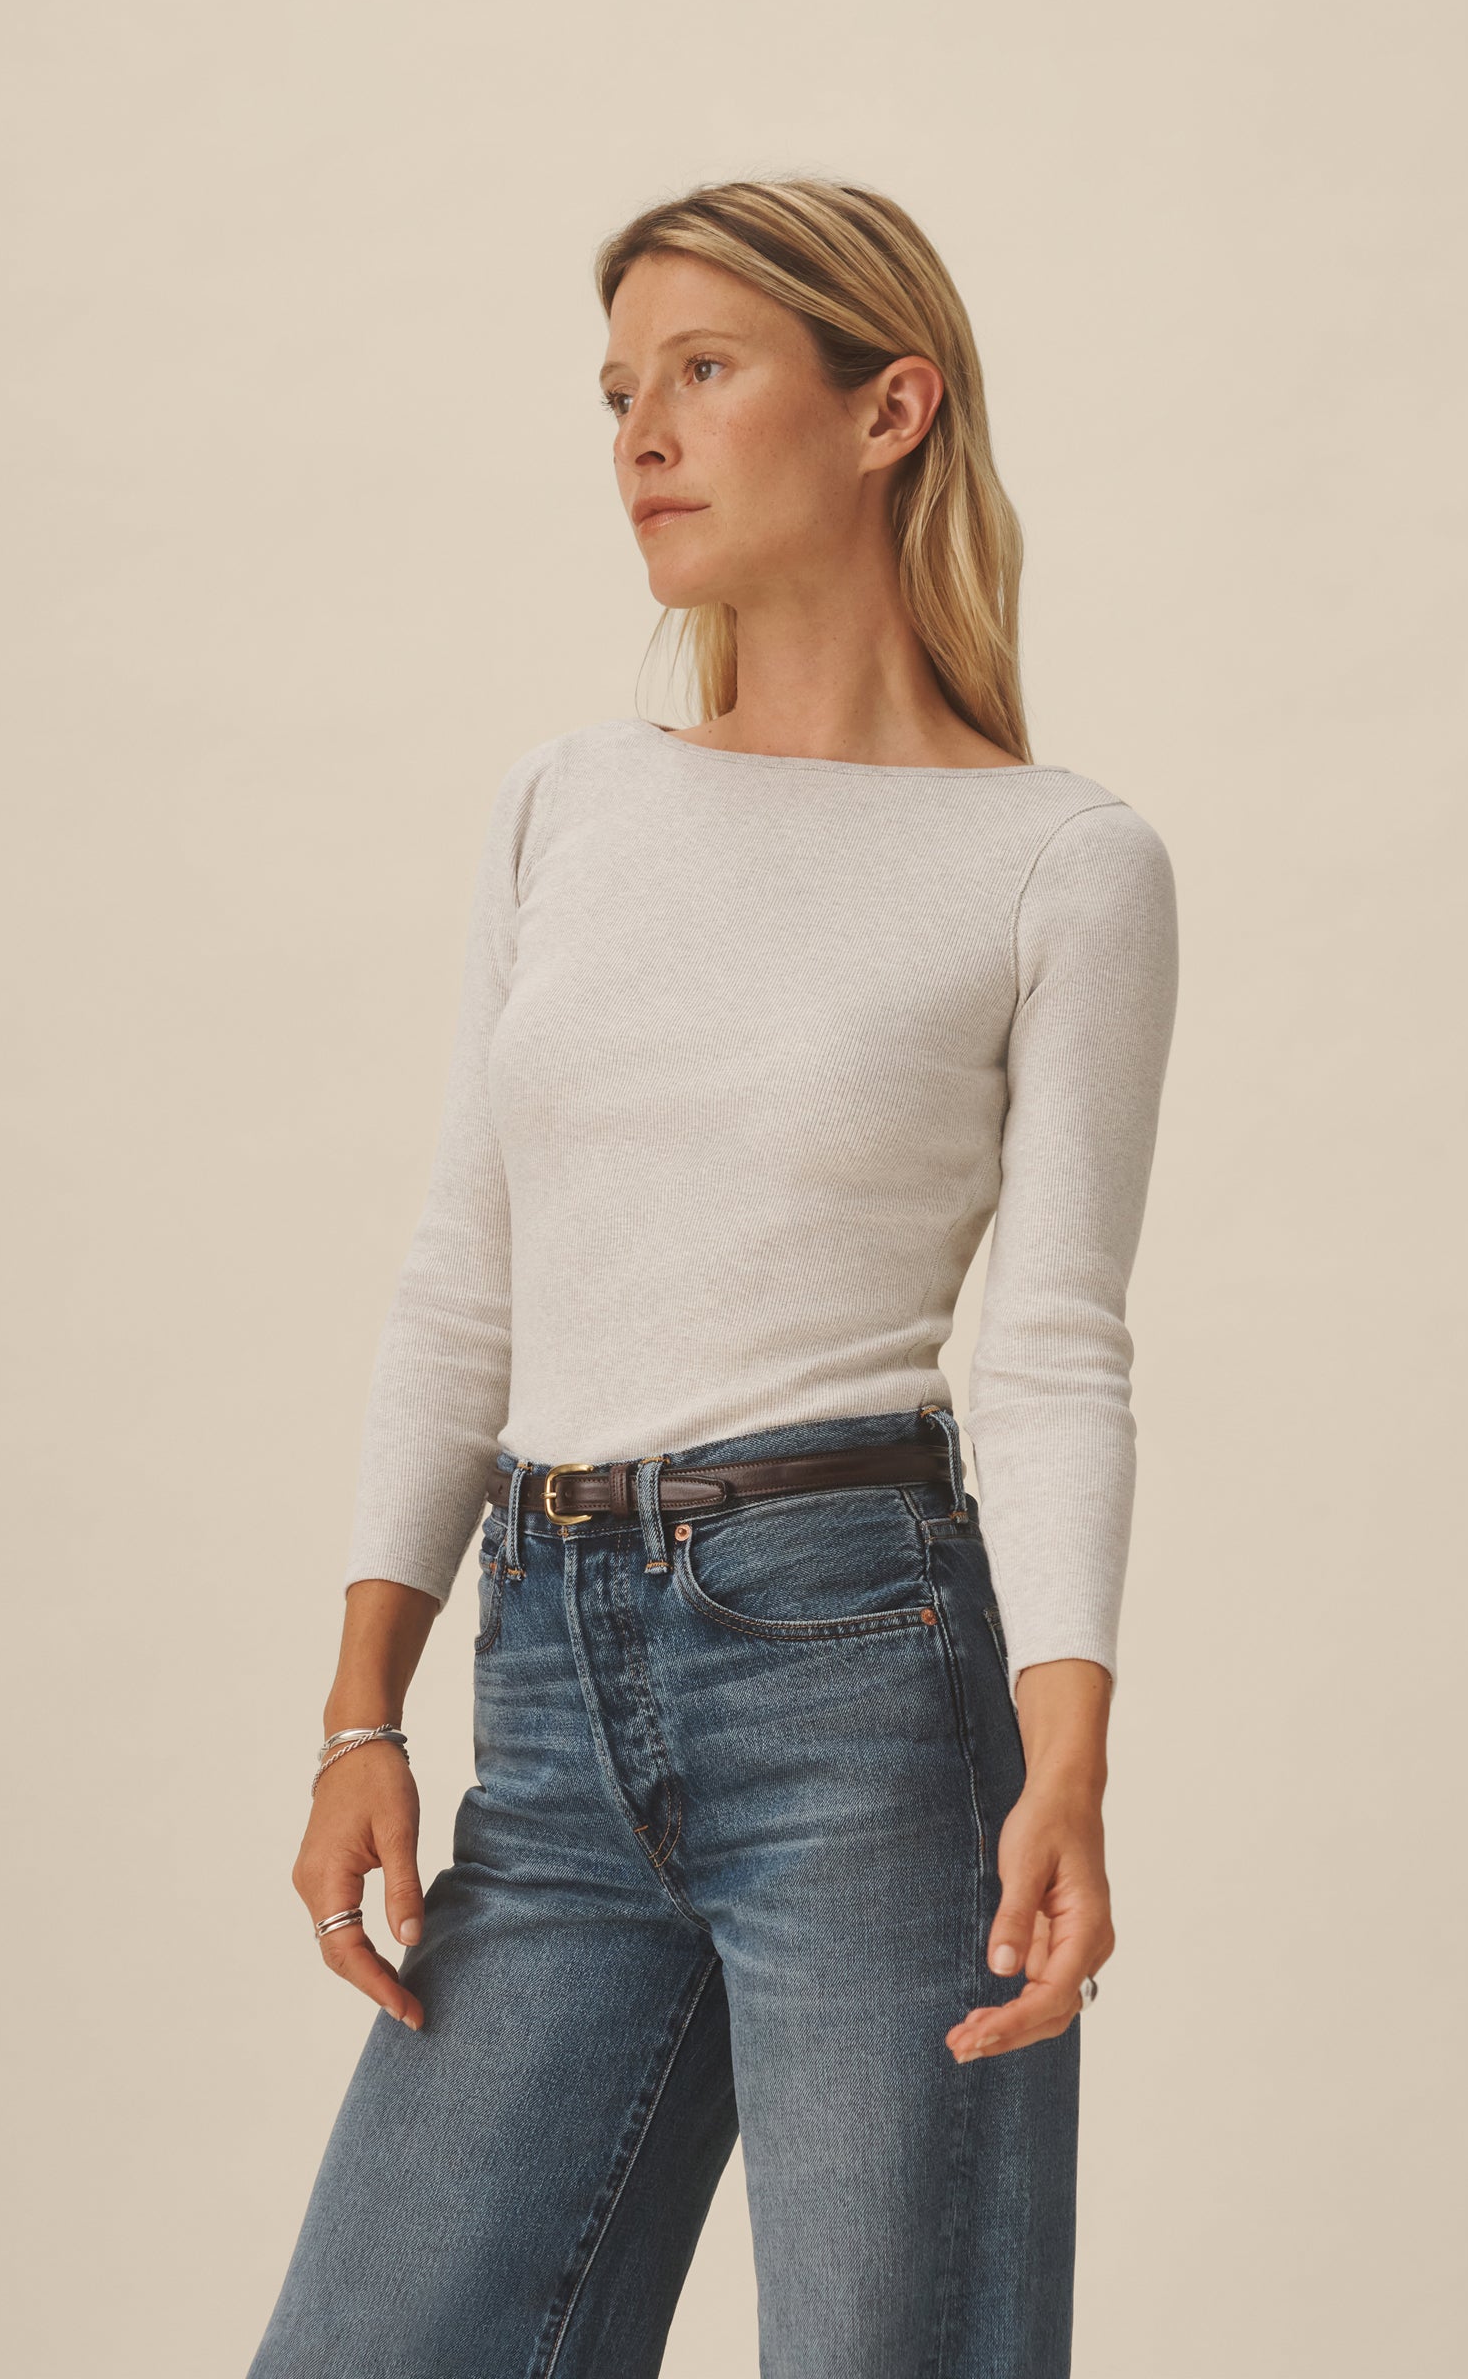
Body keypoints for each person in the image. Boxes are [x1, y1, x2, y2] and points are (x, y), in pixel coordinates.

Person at [247, 175, 1179, 2379]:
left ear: (889, 409)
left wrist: (1067, 1759)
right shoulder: (568, 804)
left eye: (701, 371)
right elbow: (465, 1273)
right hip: (548, 1687)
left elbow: (1054, 1346)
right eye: (615, 394)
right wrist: (365, 1709)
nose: (639, 436)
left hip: (859, 1676)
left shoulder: (1061, 861)